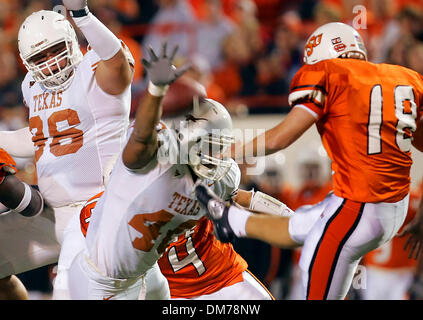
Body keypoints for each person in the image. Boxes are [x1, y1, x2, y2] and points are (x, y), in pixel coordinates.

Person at [197, 21, 423, 300]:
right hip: (393, 209)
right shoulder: (407, 78)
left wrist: (228, 152)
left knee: (314, 270)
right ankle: (231, 218)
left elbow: (279, 139)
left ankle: (231, 218)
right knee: (300, 224)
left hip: (358, 209)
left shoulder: (327, 72)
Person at [66, 41, 288, 299]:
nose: (216, 158)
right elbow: (140, 140)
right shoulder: (146, 171)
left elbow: (243, 197)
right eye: (208, 149)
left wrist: (294, 219)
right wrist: (156, 90)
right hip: (160, 287)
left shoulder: (221, 175)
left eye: (218, 149)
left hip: (218, 276)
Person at [0, 0, 134, 299]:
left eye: (55, 50)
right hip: (51, 212)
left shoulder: (94, 67)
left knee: (73, 292)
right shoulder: (32, 85)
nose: (50, 62)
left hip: (99, 209)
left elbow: (116, 63)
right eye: (40, 56)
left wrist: (82, 16)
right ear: (27, 61)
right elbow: (38, 137)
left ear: (72, 42)